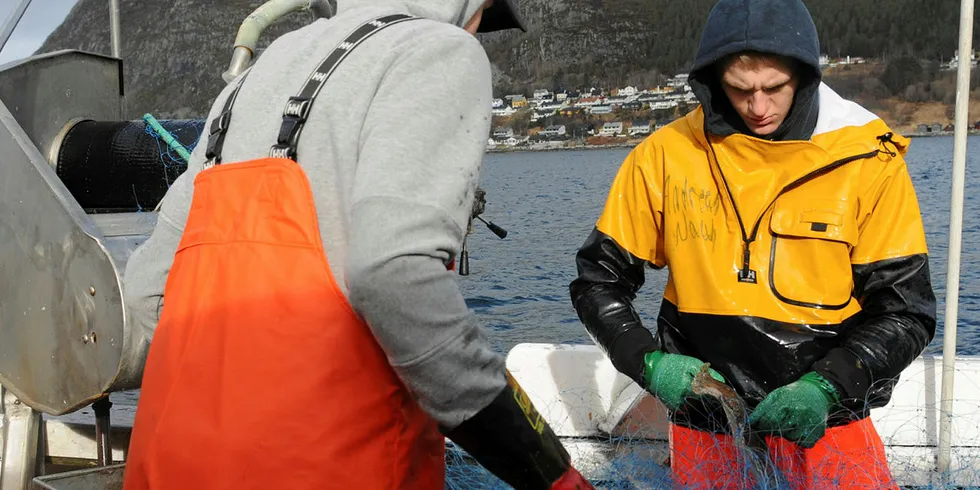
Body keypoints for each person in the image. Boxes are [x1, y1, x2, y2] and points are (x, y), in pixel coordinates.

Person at [121, 1, 594, 489]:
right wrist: (546, 471)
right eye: (484, 17)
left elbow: (145, 292)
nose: (477, 32)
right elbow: (393, 276)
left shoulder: (247, 82)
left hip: (170, 464)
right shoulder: (437, 49)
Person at [569, 0, 936, 488]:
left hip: (825, 421)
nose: (758, 107)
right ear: (712, 80)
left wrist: (828, 388)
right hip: (706, 415)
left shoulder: (869, 159)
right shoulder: (664, 156)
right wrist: (650, 363)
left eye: (774, 88)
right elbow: (598, 281)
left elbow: (906, 311)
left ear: (803, 76)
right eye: (739, 90)